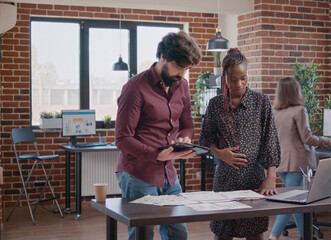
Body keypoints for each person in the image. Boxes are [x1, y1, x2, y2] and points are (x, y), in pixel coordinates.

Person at [115, 31, 202, 240]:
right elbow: (122, 139)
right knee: (143, 235)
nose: (182, 74)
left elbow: (188, 125)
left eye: (187, 69)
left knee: (178, 233)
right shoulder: (135, 88)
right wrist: (156, 155)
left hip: (169, 173)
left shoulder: (182, 86)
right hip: (138, 173)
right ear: (162, 57)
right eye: (179, 67)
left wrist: (185, 139)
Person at [199, 48, 281, 240]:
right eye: (232, 79)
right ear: (224, 77)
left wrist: (271, 177)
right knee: (222, 234)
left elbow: (271, 140)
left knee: (255, 234)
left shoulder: (261, 102)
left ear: (248, 75)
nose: (238, 84)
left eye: (243, 78)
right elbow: (205, 141)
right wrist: (220, 154)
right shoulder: (215, 104)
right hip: (225, 181)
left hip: (254, 181)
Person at [268, 76, 331, 240]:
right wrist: (325, 141)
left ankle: (306, 236)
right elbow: (307, 138)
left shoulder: (275, 112)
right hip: (298, 164)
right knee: (291, 202)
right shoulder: (299, 110)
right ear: (295, 91)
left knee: (297, 203)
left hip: (282, 163)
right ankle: (273, 236)